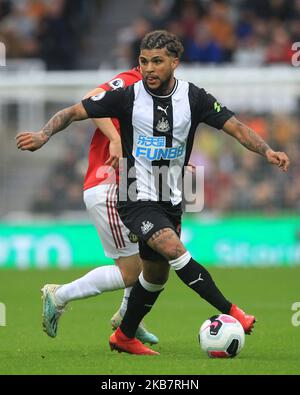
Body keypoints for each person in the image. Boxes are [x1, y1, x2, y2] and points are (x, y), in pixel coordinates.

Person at [16, 30, 290, 356]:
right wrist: (43, 134)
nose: (149, 69)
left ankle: (125, 335)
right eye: (144, 61)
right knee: (174, 249)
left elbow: (237, 128)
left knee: (154, 276)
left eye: (157, 62)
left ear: (175, 62)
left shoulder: (194, 98)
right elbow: (74, 111)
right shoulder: (128, 96)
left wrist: (268, 151)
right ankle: (233, 312)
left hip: (170, 197)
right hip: (135, 194)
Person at [17, 67, 159, 345]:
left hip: (130, 186)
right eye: (149, 62)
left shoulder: (159, 97)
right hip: (108, 185)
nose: (154, 68)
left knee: (152, 255)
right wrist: (115, 139)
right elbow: (93, 96)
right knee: (132, 271)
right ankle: (59, 296)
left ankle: (128, 318)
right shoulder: (131, 81)